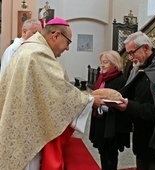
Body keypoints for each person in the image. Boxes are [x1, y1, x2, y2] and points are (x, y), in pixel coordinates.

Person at [0, 17, 105, 170]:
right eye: (68, 42)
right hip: (27, 132)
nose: (68, 48)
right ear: (56, 35)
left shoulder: (26, 49)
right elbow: (59, 91)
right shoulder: (38, 53)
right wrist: (89, 101)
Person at [107, 31, 155, 170]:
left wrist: (129, 106)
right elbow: (129, 94)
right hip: (141, 140)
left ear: (146, 48)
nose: (129, 58)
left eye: (132, 53)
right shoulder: (138, 69)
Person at [89, 50, 132, 170]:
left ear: (114, 63)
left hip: (112, 125)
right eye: (101, 62)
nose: (102, 65)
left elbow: (122, 104)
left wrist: (103, 104)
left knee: (111, 155)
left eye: (105, 62)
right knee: (103, 152)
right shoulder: (102, 78)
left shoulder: (120, 80)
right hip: (100, 121)